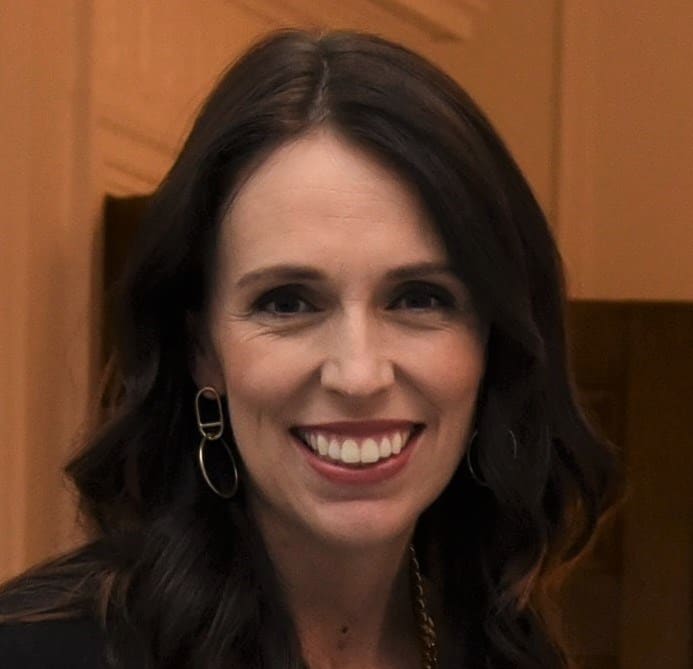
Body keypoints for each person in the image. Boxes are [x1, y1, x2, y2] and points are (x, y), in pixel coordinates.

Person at [0, 29, 620, 668]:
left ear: (494, 343)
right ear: (202, 351)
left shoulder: (508, 653)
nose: (358, 374)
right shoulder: (35, 651)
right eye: (288, 303)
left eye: (418, 298)